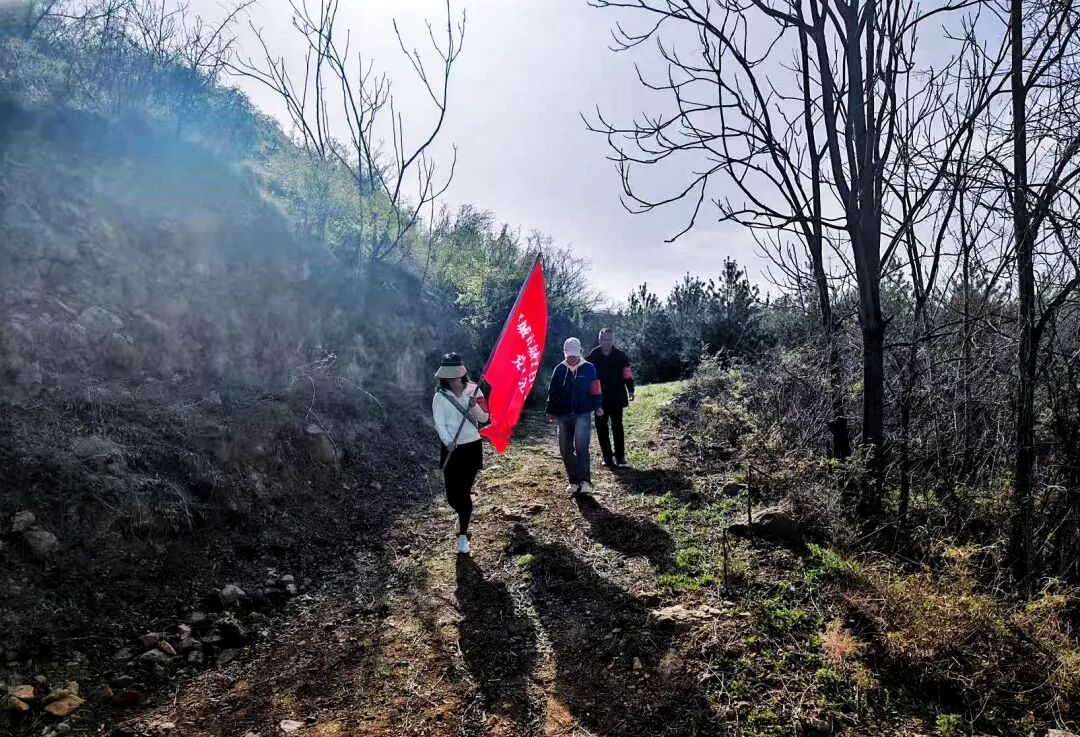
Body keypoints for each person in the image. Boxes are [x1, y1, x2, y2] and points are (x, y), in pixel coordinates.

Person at [432, 353, 490, 555]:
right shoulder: (440, 396)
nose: (454, 380)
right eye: (449, 376)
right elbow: (439, 423)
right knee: (452, 496)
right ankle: (462, 513)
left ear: (462, 373)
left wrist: (474, 408)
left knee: (464, 493)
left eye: (456, 375)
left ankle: (463, 536)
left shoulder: (474, 390)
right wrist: (447, 440)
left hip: (471, 446)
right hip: (451, 448)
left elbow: (485, 417)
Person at [545, 337, 604, 496]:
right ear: (565, 354)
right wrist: (550, 410)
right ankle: (573, 480)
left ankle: (585, 481)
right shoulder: (559, 369)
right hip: (563, 413)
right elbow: (552, 392)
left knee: (581, 447)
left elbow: (595, 388)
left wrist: (598, 406)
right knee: (565, 448)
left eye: (574, 355)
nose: (571, 359)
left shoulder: (589, 368)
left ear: (579, 353)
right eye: (569, 356)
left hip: (583, 413)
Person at [586, 328, 636, 467]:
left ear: (613, 340)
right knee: (601, 428)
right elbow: (586, 375)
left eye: (609, 339)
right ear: (599, 340)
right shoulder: (593, 356)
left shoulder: (621, 356)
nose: (606, 342)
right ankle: (607, 457)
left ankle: (620, 458)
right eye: (604, 339)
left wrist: (631, 390)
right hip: (599, 398)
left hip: (617, 396)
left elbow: (627, 374)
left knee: (617, 426)